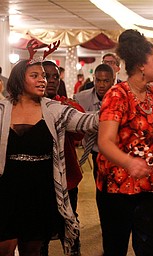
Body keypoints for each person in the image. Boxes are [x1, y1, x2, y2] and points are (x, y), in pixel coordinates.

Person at [0, 55, 98, 255]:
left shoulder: (53, 109)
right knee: (4, 247)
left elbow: (87, 122)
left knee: (33, 249)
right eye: (35, 75)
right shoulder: (2, 110)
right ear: (19, 79)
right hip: (7, 189)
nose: (42, 80)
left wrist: (117, 107)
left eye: (43, 76)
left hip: (40, 189)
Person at [96, 29, 153, 256]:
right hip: (117, 189)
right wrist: (129, 163)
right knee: (116, 249)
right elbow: (105, 142)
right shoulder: (117, 95)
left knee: (151, 248)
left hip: (151, 187)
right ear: (141, 66)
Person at [40, 60, 84, 256]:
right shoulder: (26, 106)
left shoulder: (68, 106)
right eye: (45, 76)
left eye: (55, 77)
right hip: (39, 177)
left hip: (67, 176)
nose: (51, 80)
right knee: (40, 231)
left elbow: (81, 134)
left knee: (69, 221)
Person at [74, 64, 114, 180]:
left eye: (106, 81)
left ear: (113, 81)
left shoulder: (121, 98)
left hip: (116, 150)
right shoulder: (81, 99)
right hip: (95, 151)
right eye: (98, 80)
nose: (101, 85)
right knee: (99, 186)